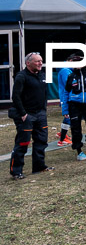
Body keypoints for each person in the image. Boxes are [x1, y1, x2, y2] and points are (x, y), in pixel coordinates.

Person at [9, 52, 52, 180]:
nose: (40, 63)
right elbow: (15, 96)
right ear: (28, 63)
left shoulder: (42, 75)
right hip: (27, 115)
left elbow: (44, 93)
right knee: (23, 143)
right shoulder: (21, 76)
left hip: (40, 115)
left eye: (41, 61)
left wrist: (43, 110)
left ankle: (39, 166)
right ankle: (16, 171)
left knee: (41, 141)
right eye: (37, 61)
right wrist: (23, 114)